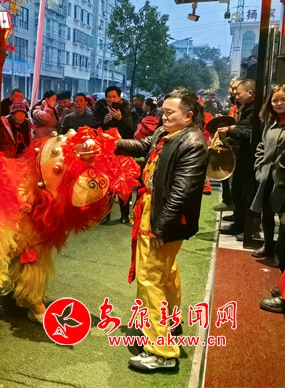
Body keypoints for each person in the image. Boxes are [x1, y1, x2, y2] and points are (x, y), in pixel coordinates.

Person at [115, 88, 208, 372]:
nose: (163, 117)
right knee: (166, 272)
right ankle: (170, 322)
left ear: (188, 116)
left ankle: (162, 350)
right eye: (163, 112)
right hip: (154, 212)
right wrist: (113, 143)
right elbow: (144, 146)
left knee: (149, 278)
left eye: (170, 113)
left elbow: (183, 192)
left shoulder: (193, 143)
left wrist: (161, 228)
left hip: (162, 219)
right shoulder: (167, 133)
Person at [251, 85, 285, 270]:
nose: (278, 103)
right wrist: (259, 168)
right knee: (266, 213)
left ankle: (281, 250)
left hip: (284, 181)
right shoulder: (270, 122)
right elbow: (261, 146)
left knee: (284, 218)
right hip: (267, 178)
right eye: (275, 100)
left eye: (283, 100)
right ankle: (268, 245)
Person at [218, 79, 255, 237]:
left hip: (249, 158)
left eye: (239, 92)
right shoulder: (245, 108)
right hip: (241, 155)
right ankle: (238, 221)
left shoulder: (255, 111)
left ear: (250, 93)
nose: (236, 95)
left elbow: (251, 134)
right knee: (237, 192)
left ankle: (243, 226)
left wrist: (231, 130)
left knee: (244, 194)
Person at [94, 86, 135, 223]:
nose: (111, 99)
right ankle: (106, 214)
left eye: (114, 97)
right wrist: (103, 122)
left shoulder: (126, 110)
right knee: (106, 183)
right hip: (105, 152)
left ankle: (124, 214)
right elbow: (93, 128)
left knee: (124, 183)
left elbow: (131, 130)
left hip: (122, 151)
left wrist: (121, 119)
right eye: (109, 96)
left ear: (119, 97)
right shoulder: (99, 109)